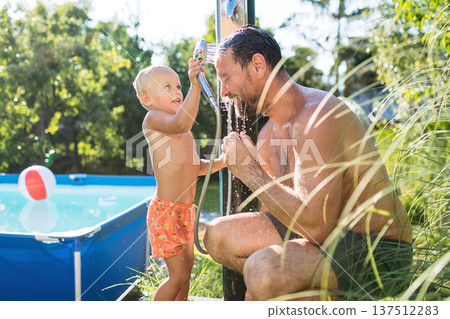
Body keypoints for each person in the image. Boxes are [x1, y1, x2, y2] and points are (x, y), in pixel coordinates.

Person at [203, 25, 413, 301]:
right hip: (325, 239)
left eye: (226, 78)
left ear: (257, 65)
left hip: (376, 248)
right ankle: (299, 293)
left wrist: (251, 173)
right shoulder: (269, 134)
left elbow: (316, 227)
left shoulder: (317, 117)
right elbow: (281, 215)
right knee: (216, 236)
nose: (224, 92)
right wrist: (259, 169)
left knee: (264, 271)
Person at [133, 60, 225, 301]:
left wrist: (224, 161)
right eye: (167, 87)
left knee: (186, 275)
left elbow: (195, 168)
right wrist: (195, 86)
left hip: (185, 211)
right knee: (177, 276)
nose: (176, 91)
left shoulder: (183, 131)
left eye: (178, 86)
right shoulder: (154, 120)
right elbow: (181, 121)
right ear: (147, 100)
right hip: (167, 212)